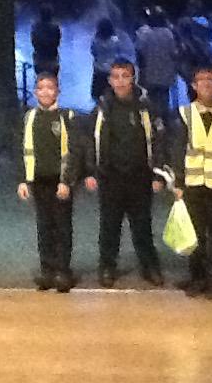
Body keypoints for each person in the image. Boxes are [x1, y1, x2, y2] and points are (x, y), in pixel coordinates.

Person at [83, 58, 166, 288]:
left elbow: (159, 141)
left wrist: (158, 174)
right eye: (115, 77)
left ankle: (149, 266)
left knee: (142, 226)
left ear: (133, 78)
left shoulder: (146, 107)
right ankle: (107, 267)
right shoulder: (101, 109)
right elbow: (89, 142)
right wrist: (90, 171)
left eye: (125, 76)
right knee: (109, 226)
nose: (120, 81)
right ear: (109, 80)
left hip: (140, 176)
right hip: (110, 177)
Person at [170, 65, 212, 299]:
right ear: (193, 85)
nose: (206, 84)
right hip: (192, 184)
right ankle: (197, 277)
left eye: (211, 80)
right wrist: (178, 182)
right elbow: (178, 149)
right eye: (201, 80)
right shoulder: (185, 113)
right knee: (195, 234)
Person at [16, 72, 79, 293]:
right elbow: (22, 149)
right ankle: (47, 269)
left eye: (50, 88)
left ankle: (63, 270)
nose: (45, 92)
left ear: (57, 91)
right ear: (35, 92)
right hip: (39, 181)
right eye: (41, 88)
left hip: (60, 182)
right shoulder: (29, 117)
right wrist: (23, 180)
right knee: (44, 227)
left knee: (62, 227)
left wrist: (67, 181)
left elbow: (74, 151)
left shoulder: (67, 116)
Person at [135, 6, 179, 120]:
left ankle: (154, 121)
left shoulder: (147, 34)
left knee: (151, 99)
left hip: (150, 72)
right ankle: (165, 120)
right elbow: (174, 52)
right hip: (166, 73)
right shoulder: (168, 34)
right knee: (164, 98)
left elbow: (140, 52)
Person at [89, 18, 126, 102]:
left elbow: (93, 53)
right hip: (111, 70)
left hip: (99, 70)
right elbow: (119, 54)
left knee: (97, 95)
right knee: (112, 96)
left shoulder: (96, 40)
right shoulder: (115, 41)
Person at [31, 6, 61, 76]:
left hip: (39, 58)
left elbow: (33, 42)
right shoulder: (55, 27)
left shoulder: (35, 26)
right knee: (52, 78)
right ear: (51, 15)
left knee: (40, 77)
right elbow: (57, 42)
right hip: (52, 58)